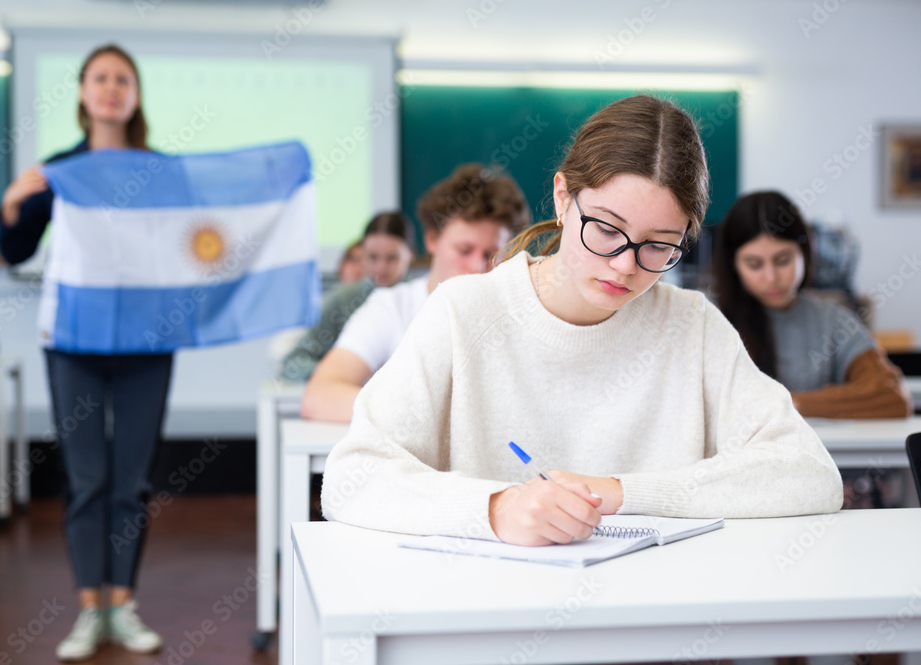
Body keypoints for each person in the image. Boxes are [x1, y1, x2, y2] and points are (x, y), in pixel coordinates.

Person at [321, 95, 843, 546]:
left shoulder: (693, 325)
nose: (625, 265)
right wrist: (496, 508)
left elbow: (809, 472)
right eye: (607, 230)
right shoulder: (463, 312)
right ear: (563, 197)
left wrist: (619, 492)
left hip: (651, 624)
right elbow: (352, 477)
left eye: (660, 245)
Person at [0, 44, 167, 660]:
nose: (112, 88)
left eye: (124, 78)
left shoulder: (161, 170)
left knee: (132, 479)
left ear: (136, 93)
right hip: (72, 342)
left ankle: (122, 606)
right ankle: (88, 611)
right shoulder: (61, 170)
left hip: (149, 342)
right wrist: (14, 202)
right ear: (81, 92)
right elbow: (15, 249)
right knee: (88, 479)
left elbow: (196, 242)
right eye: (100, 78)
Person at [299, 163, 530, 422]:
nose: (477, 266)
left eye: (491, 254)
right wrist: (418, 418)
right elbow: (319, 396)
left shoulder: (518, 313)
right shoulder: (392, 308)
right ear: (432, 240)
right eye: (464, 250)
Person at [709, 190, 912, 420]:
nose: (771, 277)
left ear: (804, 252)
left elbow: (892, 396)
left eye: (783, 260)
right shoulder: (708, 318)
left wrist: (788, 404)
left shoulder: (831, 320)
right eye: (754, 264)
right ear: (733, 265)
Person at [280, 211, 415, 382]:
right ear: (363, 254)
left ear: (410, 255)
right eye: (373, 257)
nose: (381, 268)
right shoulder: (342, 300)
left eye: (392, 258)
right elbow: (294, 363)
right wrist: (341, 376)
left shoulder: (425, 299)